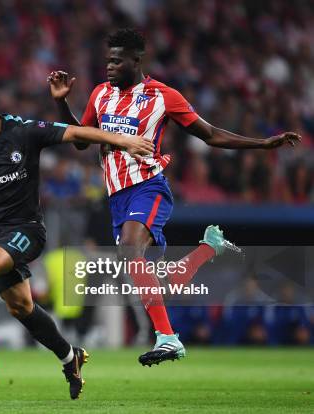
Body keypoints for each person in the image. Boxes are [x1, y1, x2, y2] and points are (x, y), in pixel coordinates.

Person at [47, 28, 301, 366]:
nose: (109, 66)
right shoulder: (99, 94)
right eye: (107, 60)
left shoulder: (162, 96)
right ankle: (208, 248)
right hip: (117, 199)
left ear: (136, 61)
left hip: (148, 188)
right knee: (154, 282)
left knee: (128, 253)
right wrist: (62, 102)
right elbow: (80, 140)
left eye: (116, 60)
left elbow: (209, 134)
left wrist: (262, 143)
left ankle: (168, 339)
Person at [0, 78, 154, 399]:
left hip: (28, 230)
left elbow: (76, 133)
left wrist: (123, 140)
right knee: (21, 307)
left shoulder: (23, 131)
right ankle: (71, 357)